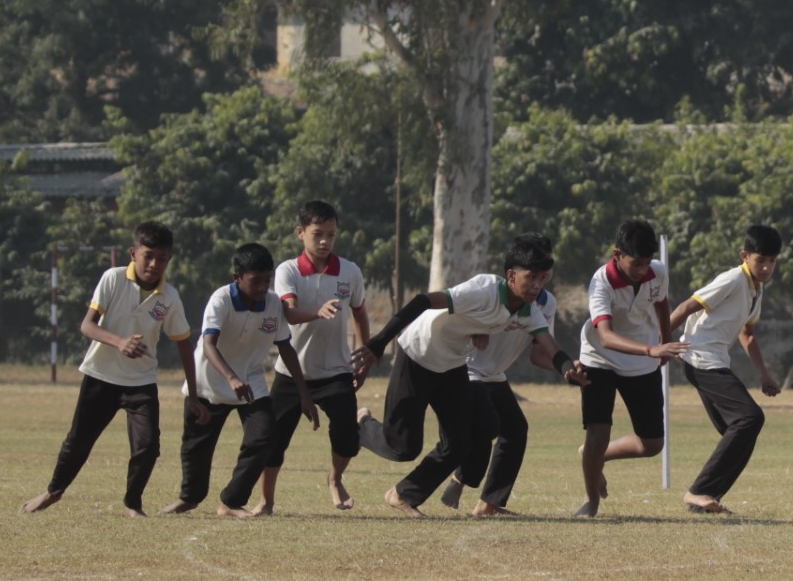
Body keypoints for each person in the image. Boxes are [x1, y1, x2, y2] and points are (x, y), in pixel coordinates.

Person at [353, 250, 565, 518]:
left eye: (542, 277)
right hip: (418, 353)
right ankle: (361, 426)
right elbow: (423, 301)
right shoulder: (483, 288)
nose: (538, 284)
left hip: (452, 364)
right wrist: (379, 341)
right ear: (512, 275)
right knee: (403, 447)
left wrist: (571, 369)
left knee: (461, 441)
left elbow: (549, 346)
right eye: (532, 277)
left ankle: (403, 495)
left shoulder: (529, 310)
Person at [22, 221, 207, 517]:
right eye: (148, 255)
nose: (154, 263)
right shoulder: (113, 278)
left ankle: (133, 503)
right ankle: (52, 492)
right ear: (133, 253)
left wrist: (194, 396)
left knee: (148, 447)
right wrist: (119, 342)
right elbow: (87, 325)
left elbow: (184, 345)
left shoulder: (170, 297)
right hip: (101, 377)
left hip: (141, 382)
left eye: (161, 258)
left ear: (169, 259)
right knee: (78, 441)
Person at [161, 243, 318, 517]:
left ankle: (231, 502)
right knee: (196, 450)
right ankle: (190, 498)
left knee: (265, 436)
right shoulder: (221, 299)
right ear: (237, 277)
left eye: (266, 280)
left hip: (251, 380)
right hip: (209, 381)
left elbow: (286, 348)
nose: (262, 287)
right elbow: (208, 344)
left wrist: (304, 394)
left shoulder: (273, 304)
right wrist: (231, 377)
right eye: (255, 280)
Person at [439, 234, 588, 518]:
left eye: (546, 267)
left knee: (515, 430)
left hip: (494, 374)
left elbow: (539, 354)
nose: (541, 273)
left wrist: (568, 366)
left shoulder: (546, 304)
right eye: (535, 267)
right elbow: (450, 310)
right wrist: (475, 325)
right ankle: (452, 480)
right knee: (484, 427)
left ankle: (488, 504)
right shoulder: (492, 290)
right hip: (465, 368)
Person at [257, 200, 372, 514]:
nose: (324, 242)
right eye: (317, 234)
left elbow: (361, 314)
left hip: (336, 371)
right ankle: (266, 501)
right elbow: (289, 313)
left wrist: (365, 357)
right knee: (273, 440)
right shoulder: (288, 271)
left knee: (348, 438)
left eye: (331, 235)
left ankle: (335, 479)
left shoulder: (350, 271)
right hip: (291, 374)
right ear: (300, 233)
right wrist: (318, 312)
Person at [667, 224, 784, 515]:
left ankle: (705, 500)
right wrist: (657, 344)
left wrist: (764, 374)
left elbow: (748, 334)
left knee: (740, 430)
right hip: (701, 358)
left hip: (713, 360)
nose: (767, 267)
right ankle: (699, 491)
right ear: (745, 256)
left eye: (772, 261)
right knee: (749, 418)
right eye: (761, 261)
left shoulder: (757, 289)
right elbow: (686, 307)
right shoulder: (733, 279)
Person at [575, 219, 687, 518]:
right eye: (636, 263)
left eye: (647, 262)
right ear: (617, 254)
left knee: (652, 444)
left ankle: (593, 457)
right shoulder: (601, 282)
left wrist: (665, 340)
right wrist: (653, 348)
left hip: (641, 361)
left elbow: (662, 304)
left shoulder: (657, 272)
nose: (642, 270)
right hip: (600, 358)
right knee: (598, 430)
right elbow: (606, 337)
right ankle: (591, 501)